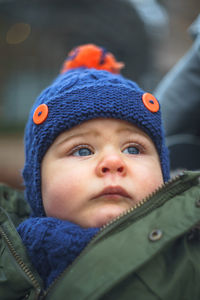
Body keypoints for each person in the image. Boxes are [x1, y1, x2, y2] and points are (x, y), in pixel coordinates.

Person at [0, 44, 200, 300]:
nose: (114, 161)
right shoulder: (9, 267)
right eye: (83, 151)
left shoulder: (188, 260)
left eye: (133, 149)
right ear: (37, 184)